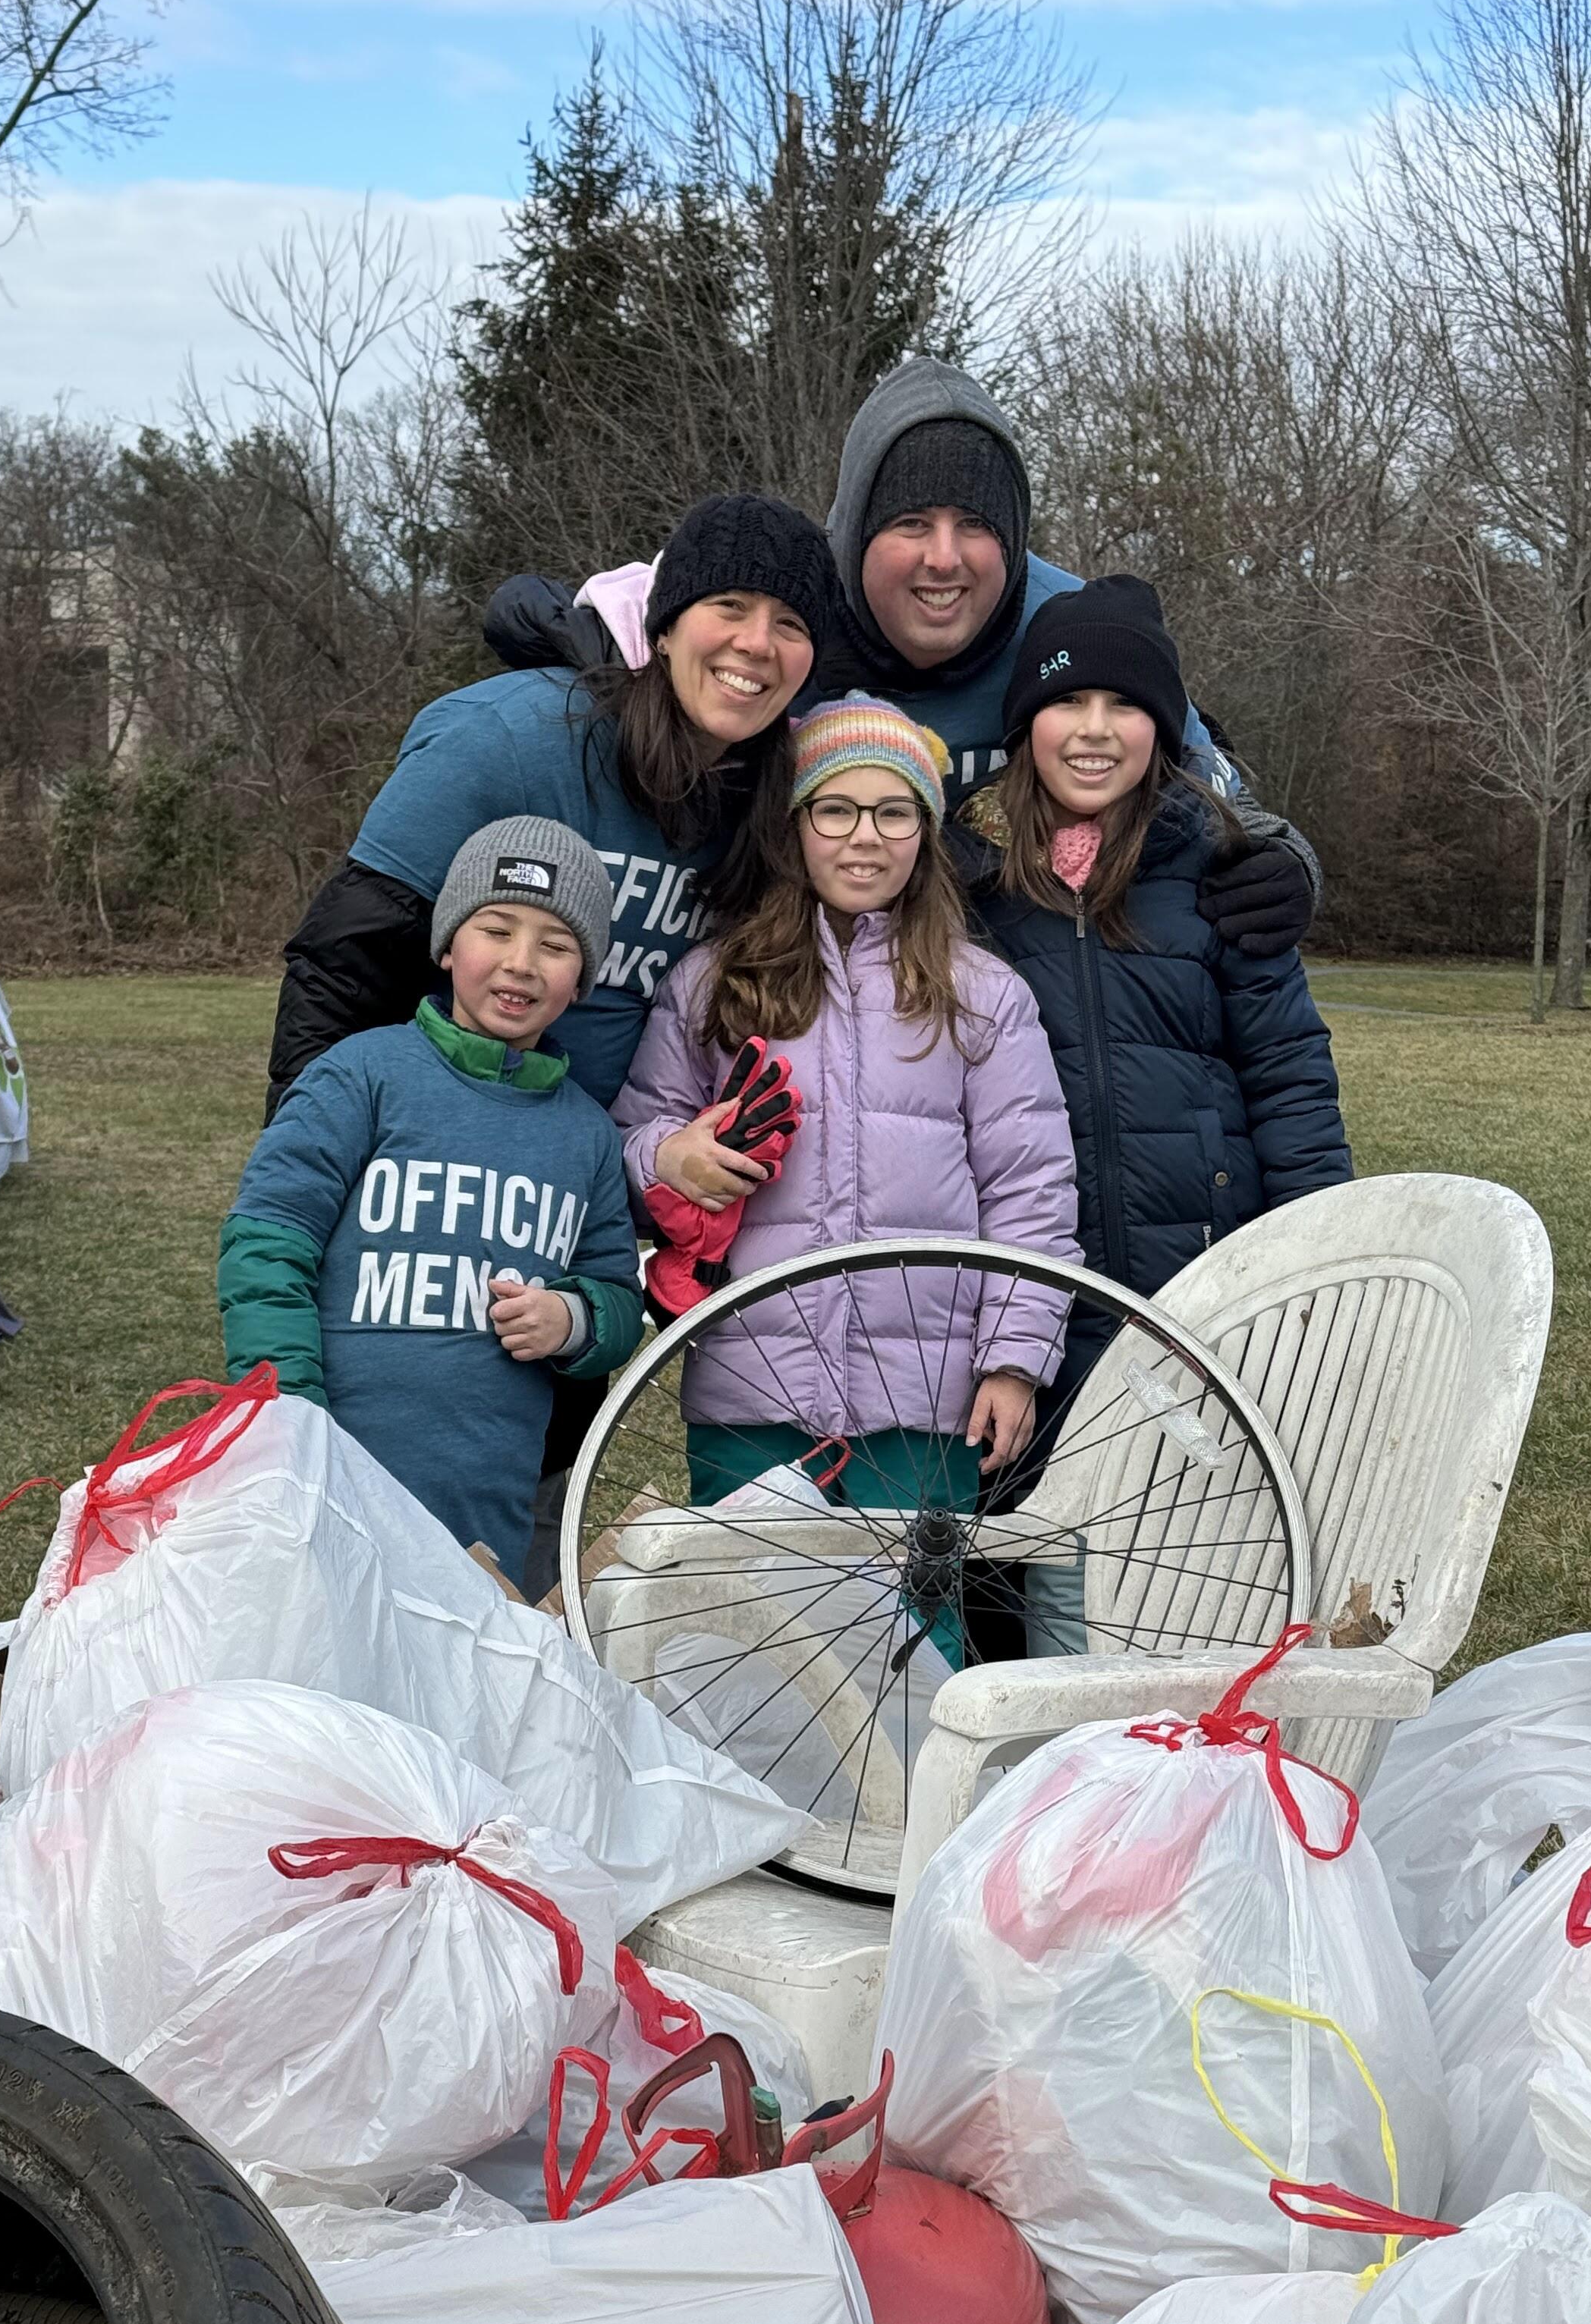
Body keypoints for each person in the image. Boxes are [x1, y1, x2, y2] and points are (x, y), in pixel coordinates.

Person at [482, 355, 1321, 960]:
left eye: (978, 526)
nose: (944, 559)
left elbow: (1204, 776)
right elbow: (643, 613)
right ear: (853, 535)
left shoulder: (1068, 625)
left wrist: (1288, 866)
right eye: (911, 524)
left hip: (1022, 1013)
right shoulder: (787, 618)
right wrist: (586, 648)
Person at [953, 576, 1350, 1647]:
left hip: (1201, 1304)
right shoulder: (978, 900)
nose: (1093, 732)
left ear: (1165, 729)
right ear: (1023, 726)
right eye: (1066, 704)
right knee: (1040, 1596)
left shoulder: (1222, 880)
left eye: (1124, 707)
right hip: (1042, 1309)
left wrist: (1319, 1273)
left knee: (1197, 1591)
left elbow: (1292, 1085)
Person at [614, 693, 1080, 1592]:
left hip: (926, 1400)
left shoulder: (983, 995)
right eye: (836, 808)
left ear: (926, 830)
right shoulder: (715, 984)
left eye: (893, 810)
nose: (864, 836)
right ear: (795, 826)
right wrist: (671, 1159)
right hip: (752, 1388)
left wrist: (1016, 1360)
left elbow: (1033, 1193)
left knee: (911, 1644)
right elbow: (633, 1144)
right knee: (743, 1633)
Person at [263, 491, 839, 1119]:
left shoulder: (783, 795)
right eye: (730, 605)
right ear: (665, 627)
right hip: (431, 1147)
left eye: (791, 624)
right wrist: (306, 1158)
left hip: (605, 1174)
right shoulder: (512, 735)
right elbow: (344, 966)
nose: (758, 643)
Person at [219, 818, 645, 1584]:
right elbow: (266, 1245)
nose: (521, 964)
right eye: (497, 930)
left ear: (581, 978)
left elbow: (617, 1299)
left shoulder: (585, 1134)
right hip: (323, 1487)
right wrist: (287, 1418)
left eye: (555, 945)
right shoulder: (361, 1076)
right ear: (449, 943)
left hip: (483, 1517)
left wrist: (572, 1319)